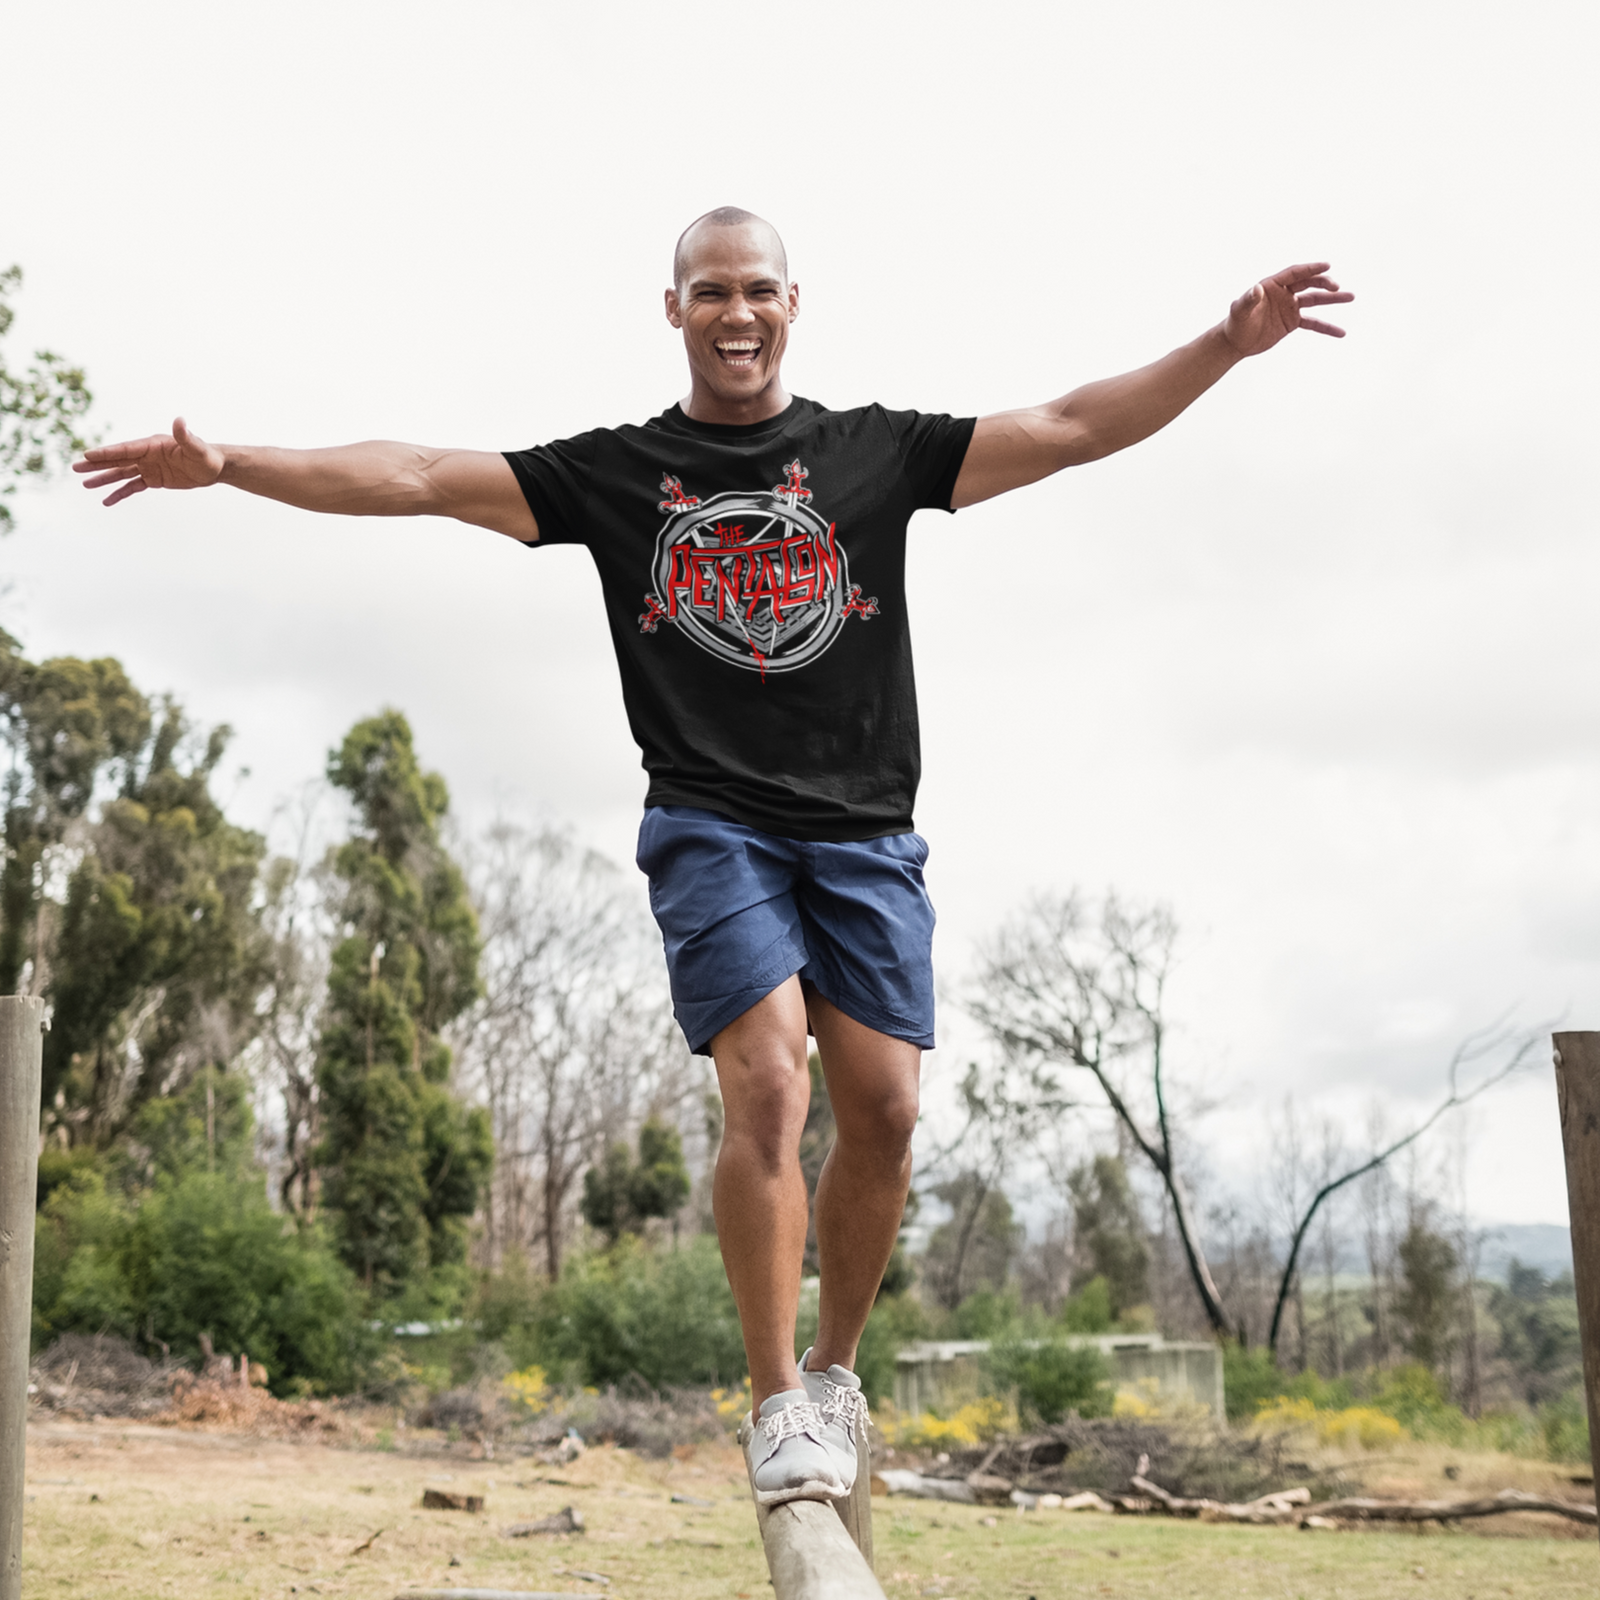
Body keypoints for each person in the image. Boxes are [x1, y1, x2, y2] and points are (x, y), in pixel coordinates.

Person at [75, 207, 1352, 1505]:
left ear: (794, 303)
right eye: (709, 292)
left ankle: (836, 1366)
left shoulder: (876, 454)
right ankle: (777, 1405)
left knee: (890, 1111)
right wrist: (230, 462)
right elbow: (413, 473)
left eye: (757, 290)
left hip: (865, 831)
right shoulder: (619, 475)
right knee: (768, 1091)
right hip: (712, 823)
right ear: (672, 308)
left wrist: (1222, 345)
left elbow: (1074, 428)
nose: (735, 313)